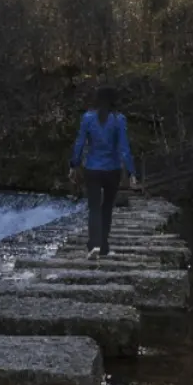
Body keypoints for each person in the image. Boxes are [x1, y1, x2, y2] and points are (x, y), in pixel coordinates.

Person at [69, 86, 137, 259]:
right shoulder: (119, 119)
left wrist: (74, 164)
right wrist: (130, 171)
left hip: (92, 168)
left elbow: (80, 143)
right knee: (107, 208)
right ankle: (104, 246)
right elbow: (124, 148)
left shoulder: (87, 118)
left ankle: (94, 246)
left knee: (94, 208)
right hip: (112, 170)